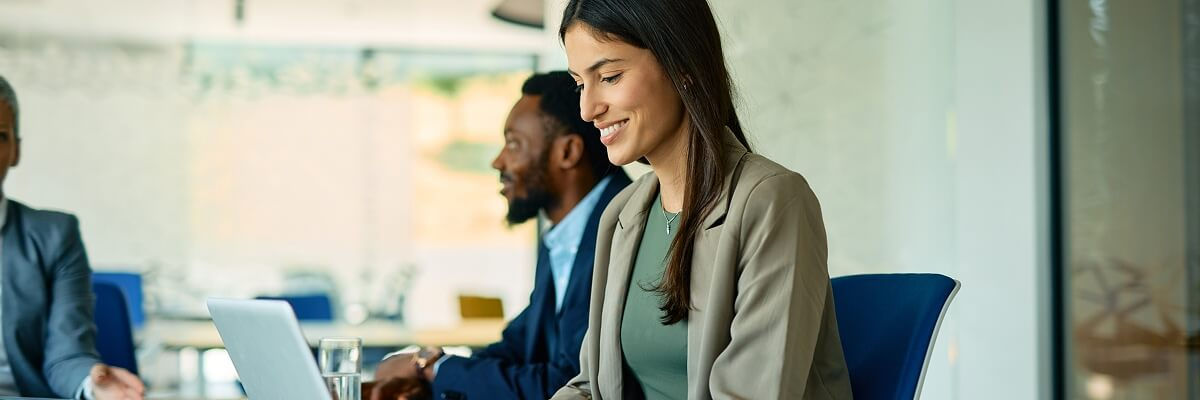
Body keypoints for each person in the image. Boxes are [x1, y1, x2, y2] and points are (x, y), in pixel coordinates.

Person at [551, 0, 854, 399]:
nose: (587, 109)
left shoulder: (772, 201)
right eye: (580, 84)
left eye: (609, 76)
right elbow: (593, 386)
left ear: (682, 66)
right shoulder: (622, 214)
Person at [368, 71, 631, 400]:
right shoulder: (564, 238)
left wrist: (432, 368)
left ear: (567, 152)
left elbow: (571, 383)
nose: (498, 161)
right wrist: (432, 368)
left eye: (514, 144)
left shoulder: (623, 228)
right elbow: (518, 346)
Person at [0, 76, 145, 400]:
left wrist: (93, 384)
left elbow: (66, 356)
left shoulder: (54, 235)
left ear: (16, 151)